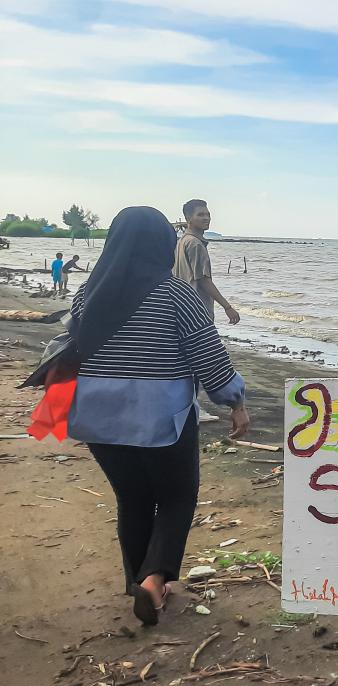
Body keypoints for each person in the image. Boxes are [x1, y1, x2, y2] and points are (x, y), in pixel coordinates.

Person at [67, 206, 251, 626]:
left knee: (132, 498)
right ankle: (153, 580)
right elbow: (210, 359)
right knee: (175, 497)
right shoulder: (176, 295)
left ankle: (139, 581)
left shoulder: (86, 294)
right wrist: (235, 402)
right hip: (160, 419)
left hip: (98, 417)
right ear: (161, 245)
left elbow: (76, 347)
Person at [173, 199, 240, 325]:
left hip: (183, 307)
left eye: (208, 214)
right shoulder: (195, 244)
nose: (206, 218)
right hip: (197, 310)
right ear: (188, 218)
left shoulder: (182, 241)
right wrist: (227, 307)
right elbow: (203, 280)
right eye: (200, 215)